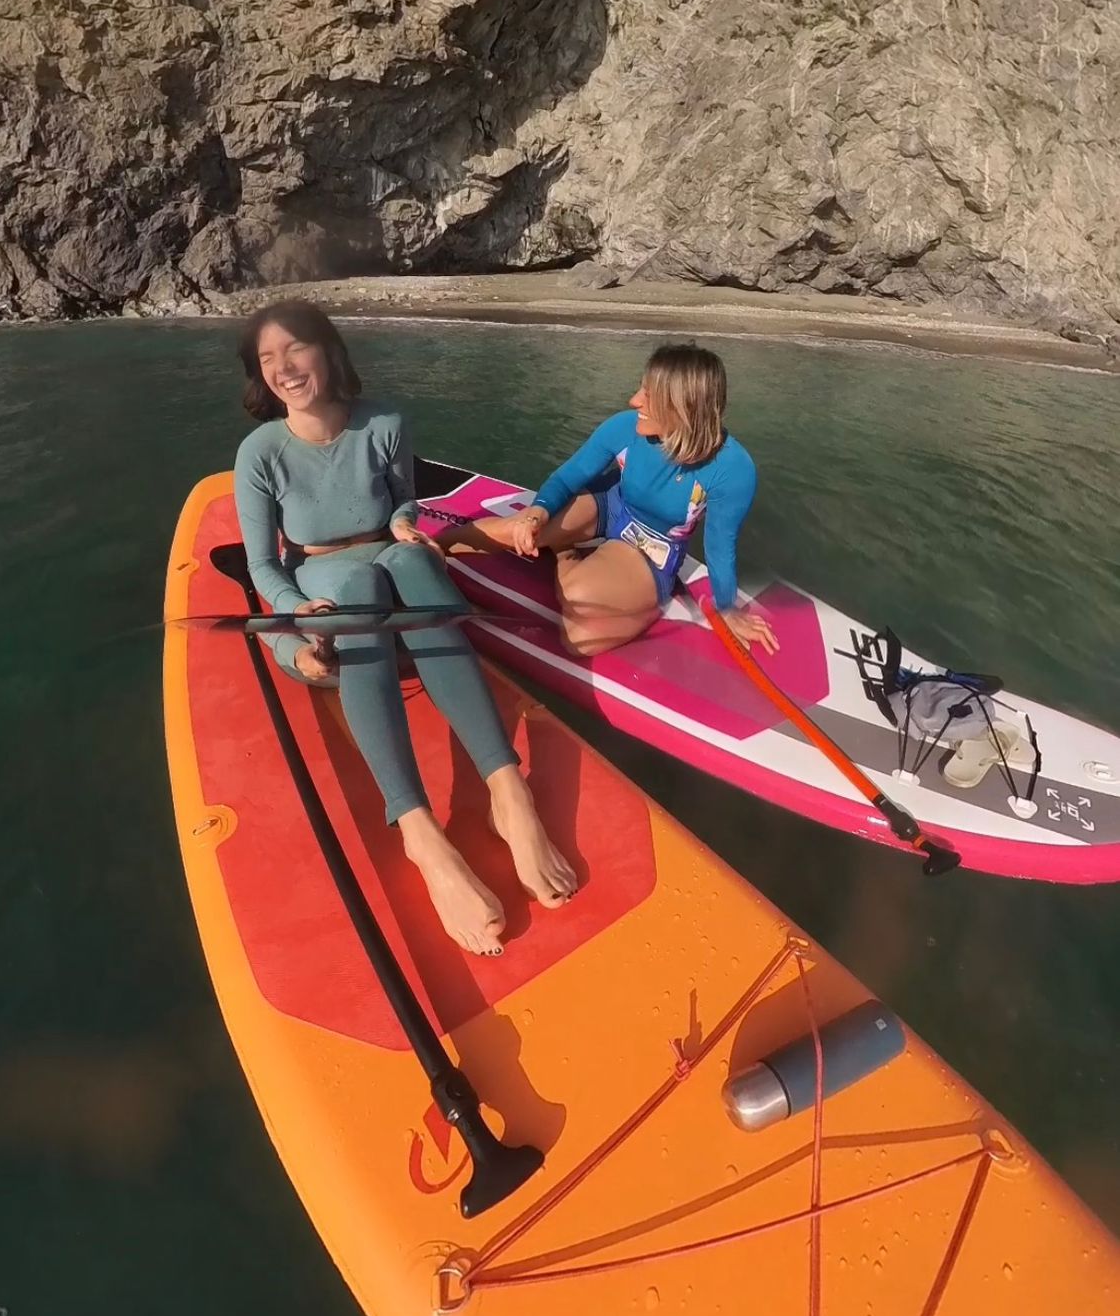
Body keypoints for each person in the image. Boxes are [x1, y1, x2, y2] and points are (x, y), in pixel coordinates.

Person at [233, 299, 576, 957]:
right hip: (328, 599)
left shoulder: (384, 422)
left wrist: (403, 523)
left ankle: (509, 794)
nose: (283, 368)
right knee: (365, 582)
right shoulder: (260, 454)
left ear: (329, 352)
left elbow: (404, 502)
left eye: (294, 349)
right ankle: (420, 833)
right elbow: (262, 565)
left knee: (413, 560)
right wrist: (291, 625)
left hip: (397, 583)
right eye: (267, 360)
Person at [438, 342, 779, 659]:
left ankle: (565, 554)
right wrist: (538, 513)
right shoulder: (624, 427)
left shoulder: (732, 470)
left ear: (683, 407)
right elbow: (568, 477)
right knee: (519, 532)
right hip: (610, 506)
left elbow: (720, 546)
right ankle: (433, 548)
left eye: (648, 395)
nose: (634, 401)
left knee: (578, 640)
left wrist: (726, 608)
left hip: (652, 549)